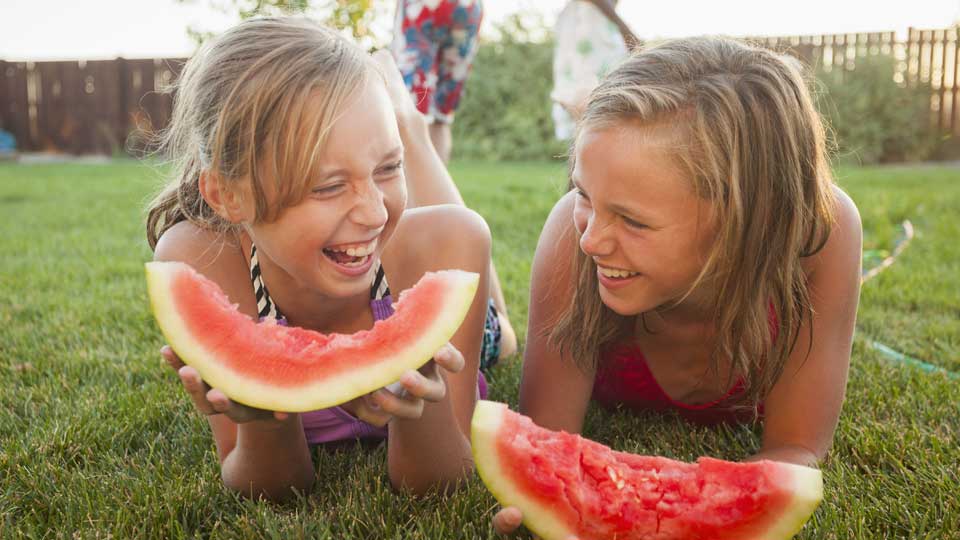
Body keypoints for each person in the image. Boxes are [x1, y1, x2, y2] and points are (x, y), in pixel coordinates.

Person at [494, 36, 862, 535]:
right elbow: (547, 445)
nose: (592, 240)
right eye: (584, 193)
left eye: (633, 221)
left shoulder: (823, 233)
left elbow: (795, 448)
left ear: (747, 221)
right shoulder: (571, 231)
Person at [146, 17, 499, 501]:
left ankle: (410, 133)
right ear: (227, 195)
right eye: (329, 186)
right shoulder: (198, 256)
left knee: (503, 332)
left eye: (388, 168)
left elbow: (439, 486)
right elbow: (274, 490)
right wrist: (263, 413)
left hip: (439, 285)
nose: (375, 212)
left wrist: (422, 393)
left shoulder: (444, 249)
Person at [391, 0, 483, 164]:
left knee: (411, 111)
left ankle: (414, 188)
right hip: (466, 8)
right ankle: (436, 189)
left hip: (421, 7)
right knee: (441, 116)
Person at [551, 0, 639, 140]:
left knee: (596, 111)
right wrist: (626, 31)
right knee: (593, 101)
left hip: (593, 23)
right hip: (589, 24)